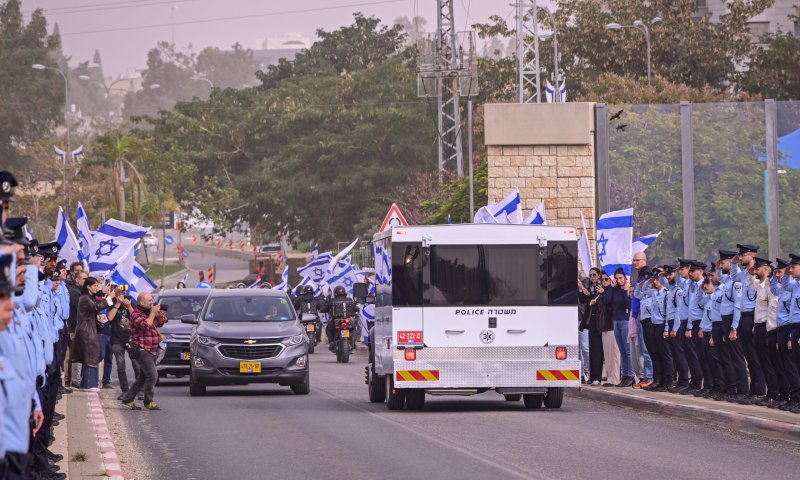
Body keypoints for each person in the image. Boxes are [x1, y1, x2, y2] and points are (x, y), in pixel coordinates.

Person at [120, 292, 167, 410]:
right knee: (152, 375)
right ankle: (148, 401)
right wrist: (152, 313)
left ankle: (128, 399)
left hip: (153, 350)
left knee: (142, 377)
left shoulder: (149, 312)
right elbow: (145, 326)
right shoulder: (135, 314)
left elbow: (161, 323)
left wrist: (160, 313)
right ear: (141, 302)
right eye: (149, 301)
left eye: (152, 300)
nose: (152, 302)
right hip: (141, 349)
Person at [749, 257, 781, 406]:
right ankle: (771, 392)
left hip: (767, 327)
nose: (755, 271)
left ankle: (774, 393)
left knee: (769, 362)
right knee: (762, 361)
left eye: (758, 268)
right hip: (759, 326)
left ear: (766, 269)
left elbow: (772, 311)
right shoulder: (761, 285)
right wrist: (750, 271)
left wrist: (768, 327)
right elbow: (751, 280)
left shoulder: (771, 287)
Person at [108, 289, 139, 400]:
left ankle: (139, 391)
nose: (122, 295)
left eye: (123, 293)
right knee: (121, 366)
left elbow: (137, 318)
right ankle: (125, 391)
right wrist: (117, 304)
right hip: (117, 339)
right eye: (119, 293)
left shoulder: (131, 303)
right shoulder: (111, 302)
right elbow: (110, 317)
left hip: (131, 339)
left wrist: (129, 306)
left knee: (137, 365)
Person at [604, 268, 633, 387]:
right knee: (621, 350)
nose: (618, 280)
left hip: (625, 321)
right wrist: (611, 287)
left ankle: (630, 375)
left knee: (627, 350)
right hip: (616, 321)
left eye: (620, 278)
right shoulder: (615, 289)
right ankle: (624, 375)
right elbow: (607, 300)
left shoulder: (628, 289)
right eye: (616, 278)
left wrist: (626, 291)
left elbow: (628, 305)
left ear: (625, 278)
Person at [73, 278, 102, 392]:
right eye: (95, 286)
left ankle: (86, 383)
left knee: (90, 356)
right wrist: (110, 299)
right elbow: (96, 307)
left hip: (88, 329)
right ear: (88, 286)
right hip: (86, 331)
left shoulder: (89, 297)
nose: (96, 288)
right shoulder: (85, 298)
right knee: (90, 356)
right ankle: (89, 384)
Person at [579, 268, 604, 385]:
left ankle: (597, 377)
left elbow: (600, 299)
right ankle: (592, 375)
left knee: (596, 350)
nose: (592, 277)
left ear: (599, 276)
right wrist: (581, 290)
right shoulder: (591, 287)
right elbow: (584, 300)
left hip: (599, 321)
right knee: (591, 348)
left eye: (594, 275)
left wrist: (591, 295)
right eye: (590, 275)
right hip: (591, 321)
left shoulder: (600, 287)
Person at [594, 273, 620, 387]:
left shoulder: (611, 290)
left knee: (614, 354)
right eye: (602, 279)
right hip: (603, 327)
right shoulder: (602, 292)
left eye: (606, 279)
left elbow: (610, 303)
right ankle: (610, 377)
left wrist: (603, 293)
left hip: (611, 325)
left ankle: (614, 378)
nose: (603, 281)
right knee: (607, 354)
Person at [65, 269, 87, 389]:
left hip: (82, 328)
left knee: (80, 354)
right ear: (76, 279)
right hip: (74, 328)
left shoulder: (82, 291)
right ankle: (73, 380)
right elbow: (83, 305)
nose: (86, 281)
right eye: (84, 279)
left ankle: (77, 379)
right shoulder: (74, 291)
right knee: (74, 355)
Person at [320, 286, 356, 351]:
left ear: (335, 293)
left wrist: (322, 310)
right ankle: (353, 343)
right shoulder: (350, 300)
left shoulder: (332, 300)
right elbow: (356, 308)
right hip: (348, 321)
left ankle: (331, 343)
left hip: (336, 321)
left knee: (328, 329)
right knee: (353, 328)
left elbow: (324, 309)